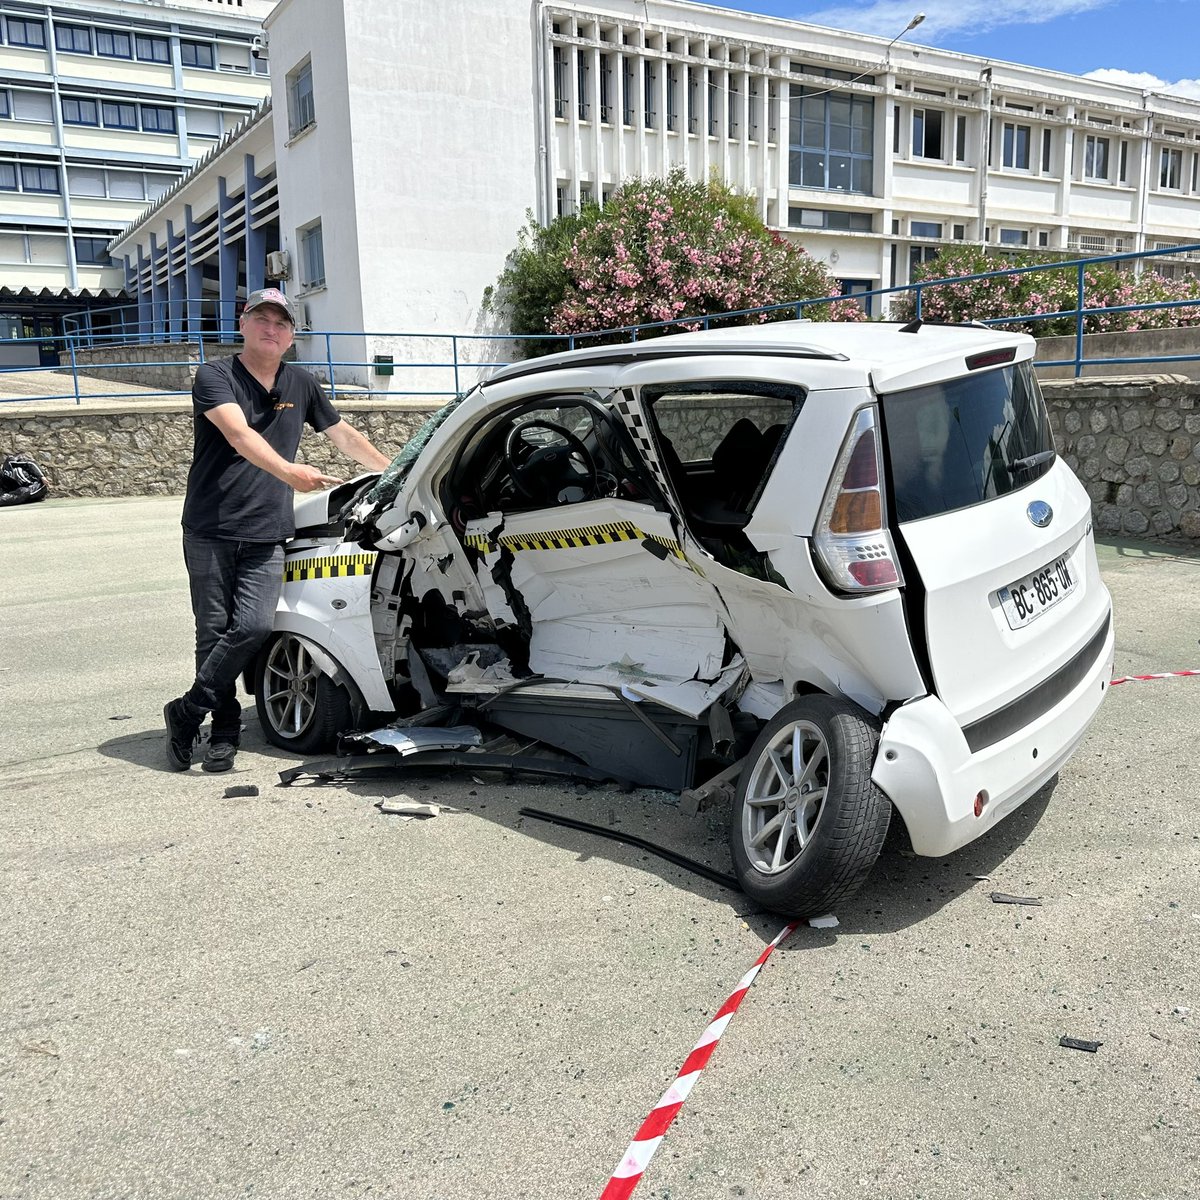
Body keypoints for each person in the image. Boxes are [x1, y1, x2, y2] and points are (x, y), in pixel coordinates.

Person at [163, 287, 391, 772]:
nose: (271, 329)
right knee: (212, 632)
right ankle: (224, 728)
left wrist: (394, 473)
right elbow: (238, 434)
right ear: (242, 325)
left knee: (254, 627)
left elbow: (344, 434)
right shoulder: (215, 375)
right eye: (262, 319)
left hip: (268, 531)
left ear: (291, 336)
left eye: (281, 323)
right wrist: (290, 473)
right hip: (210, 526)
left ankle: (186, 710)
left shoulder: (301, 383)